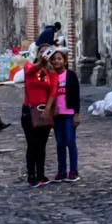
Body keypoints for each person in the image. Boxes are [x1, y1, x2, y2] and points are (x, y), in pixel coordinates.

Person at [19, 54, 55, 186]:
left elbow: (53, 91)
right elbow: (30, 70)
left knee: (42, 145)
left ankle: (41, 174)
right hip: (29, 111)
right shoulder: (29, 69)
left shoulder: (48, 74)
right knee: (32, 144)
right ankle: (31, 175)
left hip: (44, 112)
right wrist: (40, 64)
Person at [48, 49, 80, 182]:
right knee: (60, 143)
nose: (57, 61)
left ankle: (73, 170)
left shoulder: (70, 75)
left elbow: (76, 95)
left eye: (59, 59)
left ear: (65, 61)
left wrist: (76, 114)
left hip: (68, 113)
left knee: (70, 142)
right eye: (54, 59)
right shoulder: (50, 76)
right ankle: (61, 171)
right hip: (57, 114)